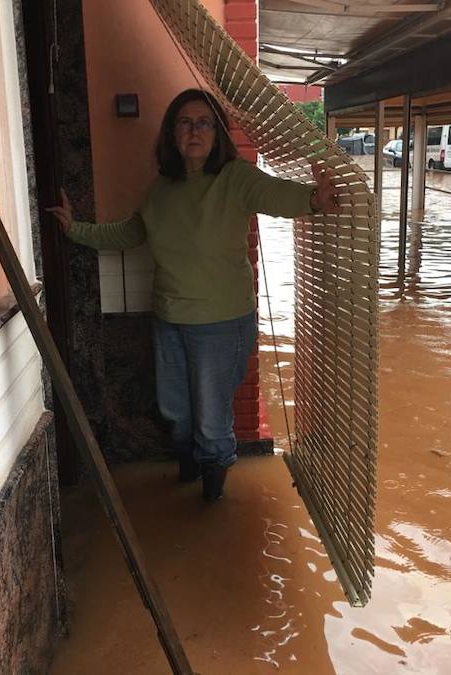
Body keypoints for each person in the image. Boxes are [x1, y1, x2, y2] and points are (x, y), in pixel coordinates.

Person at [47, 88, 339, 502]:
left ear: (218, 134)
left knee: (209, 419)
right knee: (176, 413)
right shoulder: (162, 188)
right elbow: (131, 231)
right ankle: (189, 465)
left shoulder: (236, 178)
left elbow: (275, 195)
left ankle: (212, 494)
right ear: (172, 134)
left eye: (204, 123)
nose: (195, 130)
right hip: (169, 319)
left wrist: (315, 199)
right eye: (185, 122)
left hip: (221, 324)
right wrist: (75, 228)